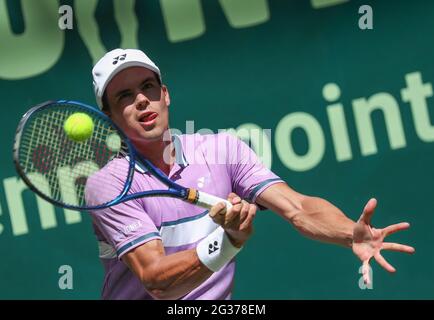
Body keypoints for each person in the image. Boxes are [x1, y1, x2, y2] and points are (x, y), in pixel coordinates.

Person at [88, 48, 415, 300]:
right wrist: (228, 242)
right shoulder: (110, 184)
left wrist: (349, 232)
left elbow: (298, 208)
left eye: (148, 87)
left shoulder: (219, 150)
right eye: (125, 96)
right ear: (110, 116)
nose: (142, 100)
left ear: (166, 94)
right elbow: (157, 281)